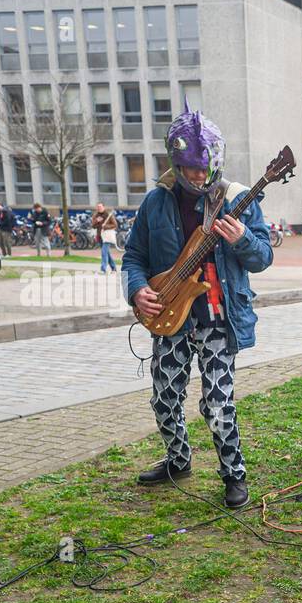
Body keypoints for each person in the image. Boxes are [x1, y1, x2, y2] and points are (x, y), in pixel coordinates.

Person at [125, 105, 273, 508]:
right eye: (189, 167)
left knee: (217, 402)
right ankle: (178, 460)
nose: (197, 175)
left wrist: (242, 237)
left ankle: (234, 475)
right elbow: (133, 257)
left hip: (217, 318)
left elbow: (262, 258)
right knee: (164, 396)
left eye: (204, 166)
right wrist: (137, 290)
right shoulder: (156, 202)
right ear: (175, 162)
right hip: (170, 317)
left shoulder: (237, 198)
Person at [92, 202, 119, 273]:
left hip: (107, 236)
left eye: (100, 207)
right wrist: (97, 221)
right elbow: (93, 226)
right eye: (98, 207)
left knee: (104, 252)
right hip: (100, 236)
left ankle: (103, 269)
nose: (99, 208)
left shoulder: (108, 215)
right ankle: (114, 268)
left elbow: (115, 225)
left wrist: (105, 226)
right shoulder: (96, 215)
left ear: (104, 207)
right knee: (107, 253)